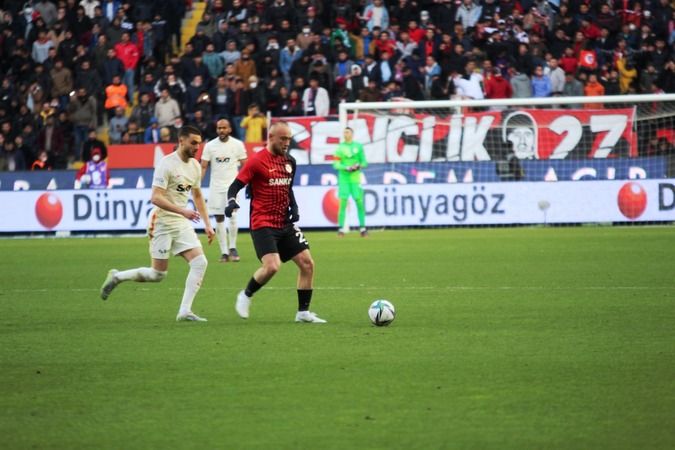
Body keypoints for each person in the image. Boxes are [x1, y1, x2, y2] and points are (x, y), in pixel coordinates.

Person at [100, 125, 216, 322]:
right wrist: (183, 211)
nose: (197, 147)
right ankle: (117, 277)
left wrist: (207, 223)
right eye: (193, 143)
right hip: (161, 221)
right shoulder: (167, 164)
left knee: (200, 262)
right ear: (181, 141)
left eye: (199, 143)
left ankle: (184, 311)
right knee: (157, 274)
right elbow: (155, 197)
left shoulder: (195, 166)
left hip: (181, 222)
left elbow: (197, 194)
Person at [224, 121, 326, 323]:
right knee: (272, 266)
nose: (287, 143)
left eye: (289, 138)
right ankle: (245, 295)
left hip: (284, 222)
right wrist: (231, 202)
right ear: (271, 138)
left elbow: (288, 188)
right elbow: (235, 185)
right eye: (283, 139)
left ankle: (303, 313)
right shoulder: (256, 161)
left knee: (307, 264)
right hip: (262, 222)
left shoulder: (290, 161)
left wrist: (294, 207)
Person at [201, 118, 248, 263]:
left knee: (232, 215)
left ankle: (233, 247)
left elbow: (245, 166)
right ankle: (224, 252)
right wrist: (197, 184)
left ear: (230, 129)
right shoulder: (209, 146)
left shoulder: (237, 145)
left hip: (232, 187)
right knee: (219, 218)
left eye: (224, 128)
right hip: (215, 187)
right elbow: (203, 166)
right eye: (219, 128)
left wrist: (248, 183)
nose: (221, 130)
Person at [333, 127, 368, 237]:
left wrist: (358, 165)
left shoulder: (358, 146)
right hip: (344, 180)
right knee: (342, 204)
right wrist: (346, 167)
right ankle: (341, 229)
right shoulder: (340, 148)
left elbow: (364, 162)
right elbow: (336, 164)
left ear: (352, 134)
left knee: (359, 203)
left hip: (355, 180)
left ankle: (362, 228)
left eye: (347, 132)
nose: (345, 134)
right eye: (344, 132)